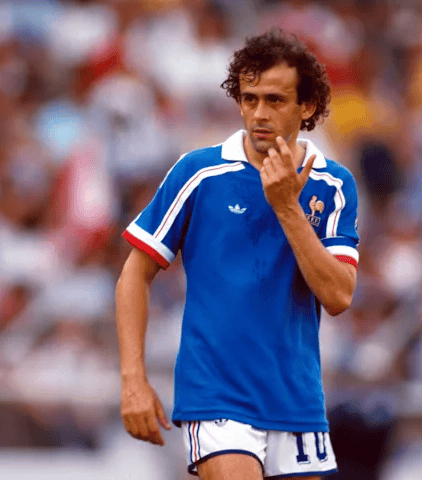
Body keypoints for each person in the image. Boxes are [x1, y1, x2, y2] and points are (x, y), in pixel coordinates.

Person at [116, 29, 359, 479]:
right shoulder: (199, 172)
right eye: (249, 99)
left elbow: (339, 296)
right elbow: (135, 273)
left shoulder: (334, 184)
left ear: (307, 107)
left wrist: (287, 207)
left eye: (275, 100)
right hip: (216, 395)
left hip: (298, 400)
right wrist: (133, 379)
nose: (259, 113)